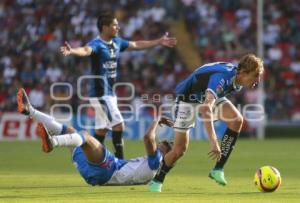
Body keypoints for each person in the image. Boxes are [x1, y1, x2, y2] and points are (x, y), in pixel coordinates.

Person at [60, 12, 177, 159]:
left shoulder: (117, 42)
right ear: (104, 27)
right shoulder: (96, 45)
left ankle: (91, 160)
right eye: (114, 25)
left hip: (109, 93)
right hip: (100, 93)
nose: (118, 27)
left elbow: (136, 44)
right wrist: (72, 51)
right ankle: (120, 162)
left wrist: (158, 42)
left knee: (102, 130)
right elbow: (85, 50)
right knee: (119, 125)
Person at [149, 54, 264, 192]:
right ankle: (157, 181)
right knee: (179, 150)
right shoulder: (223, 78)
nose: (257, 80)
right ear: (244, 72)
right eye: (255, 75)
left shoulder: (237, 80)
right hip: (188, 99)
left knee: (236, 120)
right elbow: (205, 108)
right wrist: (214, 141)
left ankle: (218, 169)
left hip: (206, 97)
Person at [17, 88, 174, 186]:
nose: (162, 143)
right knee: (71, 131)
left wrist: (157, 119)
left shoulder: (157, 162)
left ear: (167, 154)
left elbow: (148, 138)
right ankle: (29, 110)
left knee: (84, 136)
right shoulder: (152, 169)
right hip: (94, 175)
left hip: (108, 170)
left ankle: (53, 142)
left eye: (165, 144)